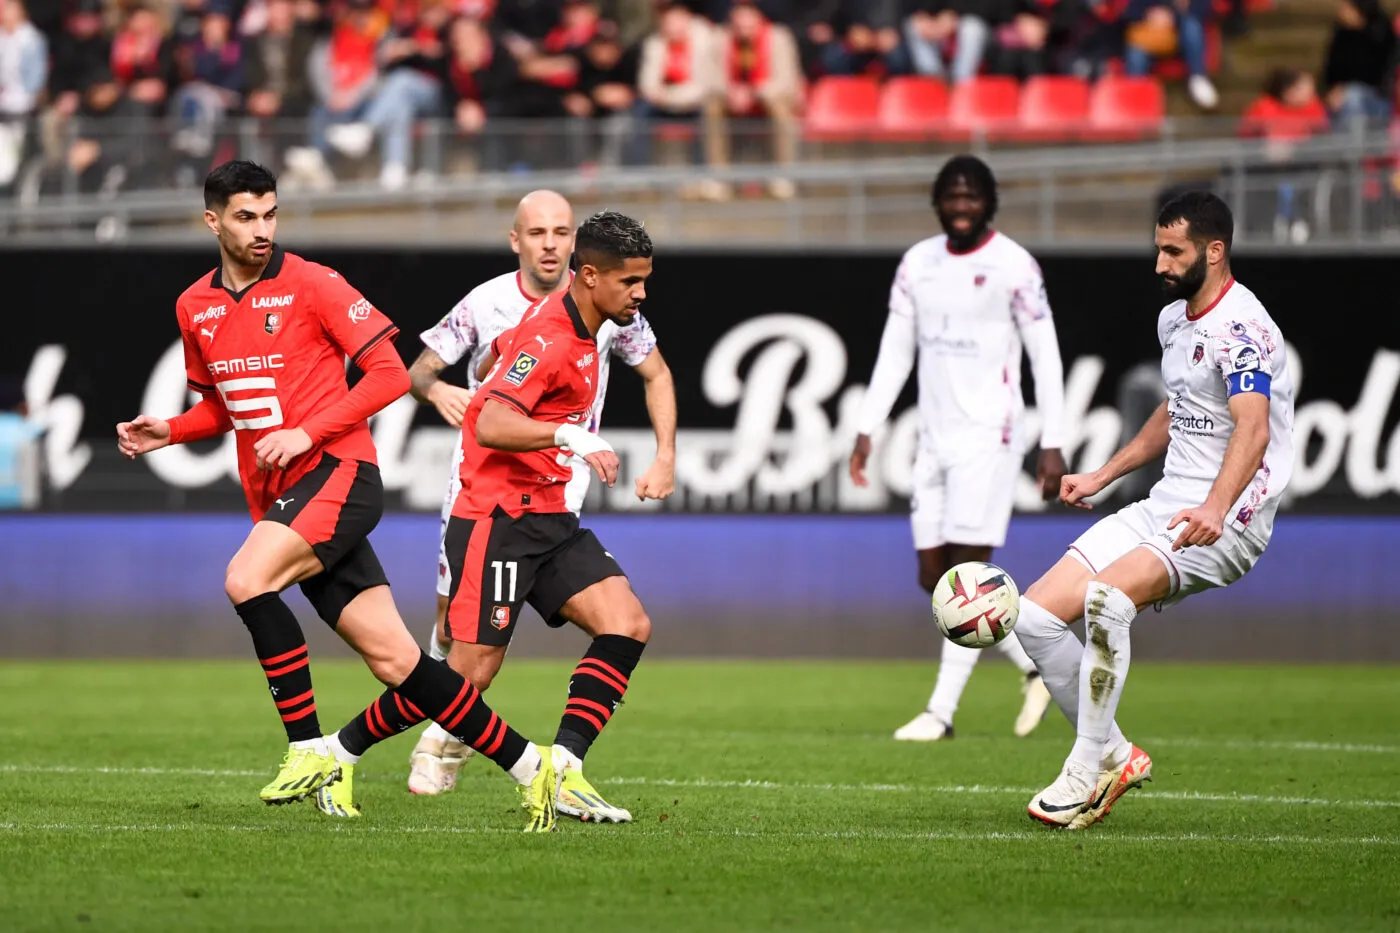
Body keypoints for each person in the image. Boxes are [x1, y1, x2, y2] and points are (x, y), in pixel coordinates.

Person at [114, 160, 562, 833]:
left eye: (269, 213)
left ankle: (306, 749)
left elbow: (387, 374)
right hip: (282, 496)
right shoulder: (195, 305)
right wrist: (169, 430)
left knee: (245, 578)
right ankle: (534, 766)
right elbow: (225, 407)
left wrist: (307, 432)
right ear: (213, 221)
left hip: (339, 475)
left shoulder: (314, 283)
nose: (262, 229)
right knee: (398, 661)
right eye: (245, 216)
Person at [317, 210, 662, 825]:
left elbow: (496, 367)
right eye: (630, 281)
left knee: (627, 623)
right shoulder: (552, 338)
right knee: (466, 675)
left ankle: (565, 771)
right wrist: (572, 437)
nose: (640, 293)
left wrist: (501, 370)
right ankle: (336, 753)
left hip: (551, 516)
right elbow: (490, 420)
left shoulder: (581, 332)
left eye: (644, 280)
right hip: (497, 520)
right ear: (589, 277)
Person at [1019, 191, 1294, 829]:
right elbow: (1175, 412)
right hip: (1165, 505)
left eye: (1174, 251)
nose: (1160, 263)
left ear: (1215, 251)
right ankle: (1117, 752)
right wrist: (1102, 475)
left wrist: (1217, 507)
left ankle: (1086, 771)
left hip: (1229, 520)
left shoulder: (1245, 328)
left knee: (1106, 602)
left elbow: (1251, 433)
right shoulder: (1175, 321)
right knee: (1032, 617)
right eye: (1158, 249)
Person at [850, 154, 1065, 743]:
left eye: (972, 196)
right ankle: (1036, 667)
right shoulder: (917, 264)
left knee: (968, 576)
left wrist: (1054, 440)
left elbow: (1044, 352)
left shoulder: (1014, 266)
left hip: (990, 435)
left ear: (990, 202)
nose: (962, 205)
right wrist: (869, 424)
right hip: (934, 437)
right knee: (933, 577)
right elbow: (896, 350)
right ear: (937, 202)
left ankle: (940, 713)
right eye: (952, 195)